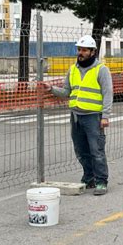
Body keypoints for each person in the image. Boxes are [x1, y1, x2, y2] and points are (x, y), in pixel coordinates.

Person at [42, 35, 113, 195]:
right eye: (79, 49)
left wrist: (105, 115)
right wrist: (51, 89)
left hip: (93, 116)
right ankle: (89, 178)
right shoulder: (72, 70)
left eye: (84, 50)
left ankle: (101, 181)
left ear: (92, 52)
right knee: (81, 150)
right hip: (75, 116)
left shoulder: (101, 70)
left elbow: (108, 93)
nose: (80, 53)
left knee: (96, 150)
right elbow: (67, 91)